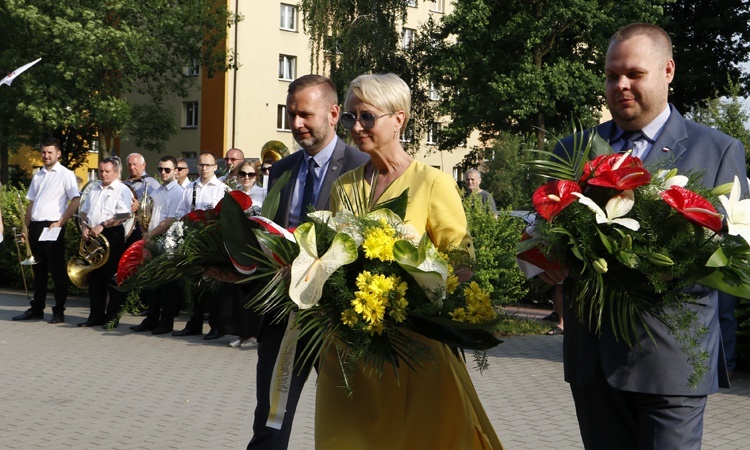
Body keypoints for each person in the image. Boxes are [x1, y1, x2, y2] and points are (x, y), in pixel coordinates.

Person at [539, 23, 747, 450]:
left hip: (673, 360)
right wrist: (545, 262)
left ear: (667, 71)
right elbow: (546, 235)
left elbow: (732, 249)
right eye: (612, 75)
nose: (621, 85)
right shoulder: (572, 149)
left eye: (634, 74)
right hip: (594, 361)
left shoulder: (717, 150)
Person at [315, 73, 502, 449]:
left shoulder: (432, 183)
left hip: (415, 353)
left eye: (367, 116)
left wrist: (412, 292)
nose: (356, 127)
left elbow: (461, 266)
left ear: (398, 119)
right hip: (352, 351)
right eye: (350, 118)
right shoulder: (344, 186)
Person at [247, 74, 369, 450]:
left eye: (305, 115)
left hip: (338, 320)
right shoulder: (282, 170)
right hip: (284, 320)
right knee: (270, 424)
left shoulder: (362, 166)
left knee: (352, 422)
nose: (296, 124)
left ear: (334, 114)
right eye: (291, 114)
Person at [13, 137, 80, 324]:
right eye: (43, 152)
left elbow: (75, 200)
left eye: (50, 152)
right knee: (38, 270)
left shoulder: (66, 174)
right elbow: (31, 203)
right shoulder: (38, 175)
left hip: (53, 226)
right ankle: (37, 309)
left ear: (58, 153)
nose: (46, 155)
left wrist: (60, 222)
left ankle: (59, 311)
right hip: (35, 226)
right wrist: (25, 228)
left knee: (57, 271)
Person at [173, 152, 228, 338]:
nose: (204, 168)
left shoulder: (222, 189)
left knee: (214, 285)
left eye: (208, 165)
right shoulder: (190, 188)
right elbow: (181, 212)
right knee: (194, 284)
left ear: (215, 167)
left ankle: (216, 326)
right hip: (194, 241)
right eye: (201, 165)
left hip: (213, 243)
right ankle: (194, 324)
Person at [129, 156, 185, 335]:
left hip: (167, 241)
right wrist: (144, 231)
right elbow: (147, 213)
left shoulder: (178, 192)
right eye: (160, 169)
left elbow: (170, 220)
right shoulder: (156, 191)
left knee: (168, 287)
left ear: (176, 171)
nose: (163, 173)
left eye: (167, 170)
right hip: (152, 239)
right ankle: (151, 320)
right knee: (151, 284)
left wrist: (149, 235)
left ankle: (165, 323)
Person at [78, 156, 133, 327]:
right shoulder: (94, 189)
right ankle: (95, 316)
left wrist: (103, 225)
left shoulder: (122, 189)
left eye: (107, 171)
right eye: (101, 171)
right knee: (95, 278)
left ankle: (112, 318)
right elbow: (84, 213)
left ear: (116, 172)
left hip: (111, 235)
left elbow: (123, 215)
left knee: (111, 278)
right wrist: (84, 227)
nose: (103, 174)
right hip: (93, 235)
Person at [124, 153, 160, 244]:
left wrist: (140, 204)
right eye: (129, 164)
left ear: (143, 165)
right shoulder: (124, 184)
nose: (132, 167)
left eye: (134, 164)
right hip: (125, 226)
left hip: (142, 229)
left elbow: (157, 205)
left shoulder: (152, 183)